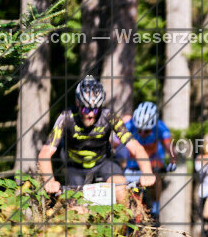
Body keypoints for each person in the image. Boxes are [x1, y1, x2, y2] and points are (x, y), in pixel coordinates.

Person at [37, 76, 155, 204]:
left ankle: (125, 217)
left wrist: (147, 172)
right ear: (77, 103)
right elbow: (45, 153)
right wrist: (49, 181)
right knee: (76, 209)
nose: (91, 114)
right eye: (86, 109)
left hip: (104, 162)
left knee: (121, 190)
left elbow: (136, 147)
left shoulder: (109, 116)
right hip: (76, 167)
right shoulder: (66, 117)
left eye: (95, 109)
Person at [113, 101, 178, 218]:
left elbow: (169, 147)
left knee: (155, 175)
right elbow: (114, 144)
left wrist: (173, 161)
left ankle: (155, 209)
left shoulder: (161, 128)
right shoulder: (129, 125)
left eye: (146, 131)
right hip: (132, 165)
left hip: (153, 163)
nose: (142, 133)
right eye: (139, 130)